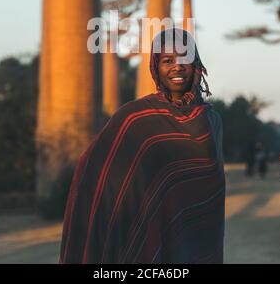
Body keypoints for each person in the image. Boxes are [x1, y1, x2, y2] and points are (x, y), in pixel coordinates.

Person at [59, 27, 226, 264]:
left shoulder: (212, 121)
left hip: (198, 238)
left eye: (185, 59)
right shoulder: (135, 118)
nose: (177, 66)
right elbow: (95, 169)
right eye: (167, 60)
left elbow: (212, 191)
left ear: (196, 65)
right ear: (155, 67)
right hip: (147, 231)